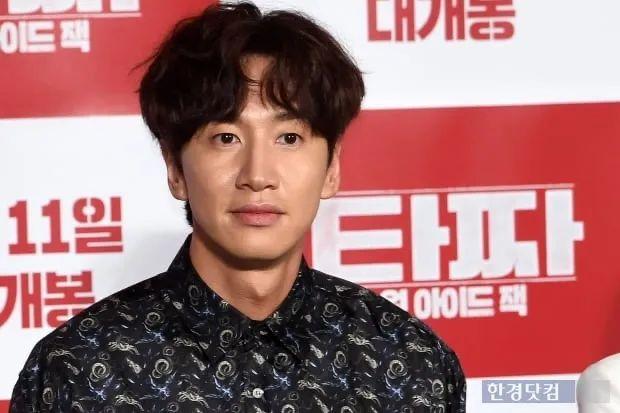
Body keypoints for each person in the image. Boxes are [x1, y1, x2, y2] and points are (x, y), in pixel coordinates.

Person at [9, 2, 466, 411]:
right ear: (175, 168)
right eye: (226, 137)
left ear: (332, 168)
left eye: (290, 138)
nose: (258, 174)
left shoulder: (410, 361)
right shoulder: (78, 370)